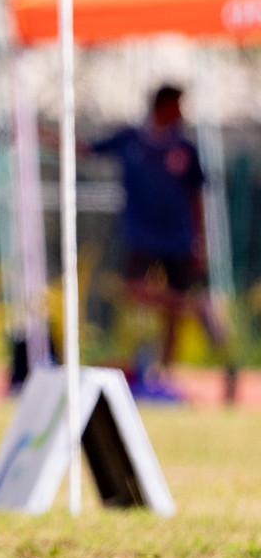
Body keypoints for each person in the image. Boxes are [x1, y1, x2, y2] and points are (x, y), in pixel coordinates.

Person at [88, 83, 230, 398]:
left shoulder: (185, 150)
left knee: (172, 316)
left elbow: (196, 198)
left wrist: (200, 243)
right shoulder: (131, 140)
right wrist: (38, 134)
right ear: (163, 106)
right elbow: (85, 148)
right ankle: (197, 307)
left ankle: (164, 375)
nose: (181, 112)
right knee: (134, 289)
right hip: (141, 236)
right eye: (177, 105)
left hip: (178, 239)